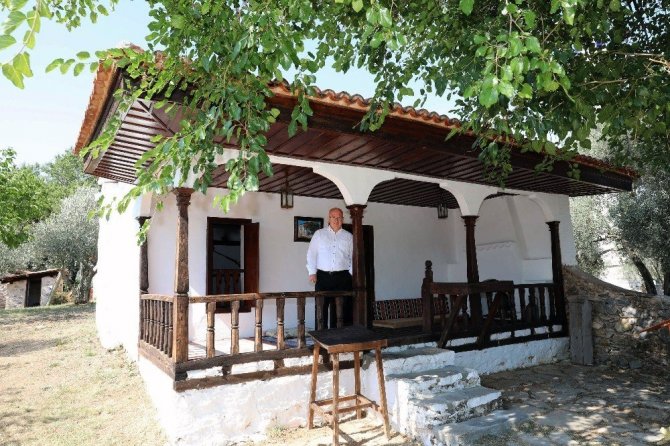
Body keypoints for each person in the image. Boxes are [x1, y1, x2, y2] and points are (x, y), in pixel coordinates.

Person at [306, 207, 353, 328]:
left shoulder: (349, 237)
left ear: (343, 219)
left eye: (339, 217)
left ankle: (338, 337)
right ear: (329, 219)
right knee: (320, 310)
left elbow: (353, 257)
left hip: (342, 278)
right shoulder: (319, 234)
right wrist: (312, 272)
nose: (336, 220)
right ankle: (320, 337)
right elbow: (312, 253)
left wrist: (352, 275)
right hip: (323, 277)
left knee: (340, 311)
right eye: (333, 217)